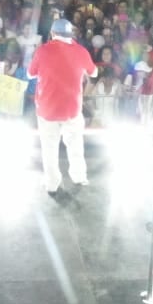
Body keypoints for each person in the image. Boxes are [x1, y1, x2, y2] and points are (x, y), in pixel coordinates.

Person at [27, 18, 97, 200]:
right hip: (72, 109)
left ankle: (51, 184)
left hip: (47, 109)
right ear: (71, 34)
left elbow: (30, 73)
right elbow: (94, 72)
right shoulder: (81, 51)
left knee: (49, 148)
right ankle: (79, 177)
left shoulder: (43, 51)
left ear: (52, 34)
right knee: (75, 144)